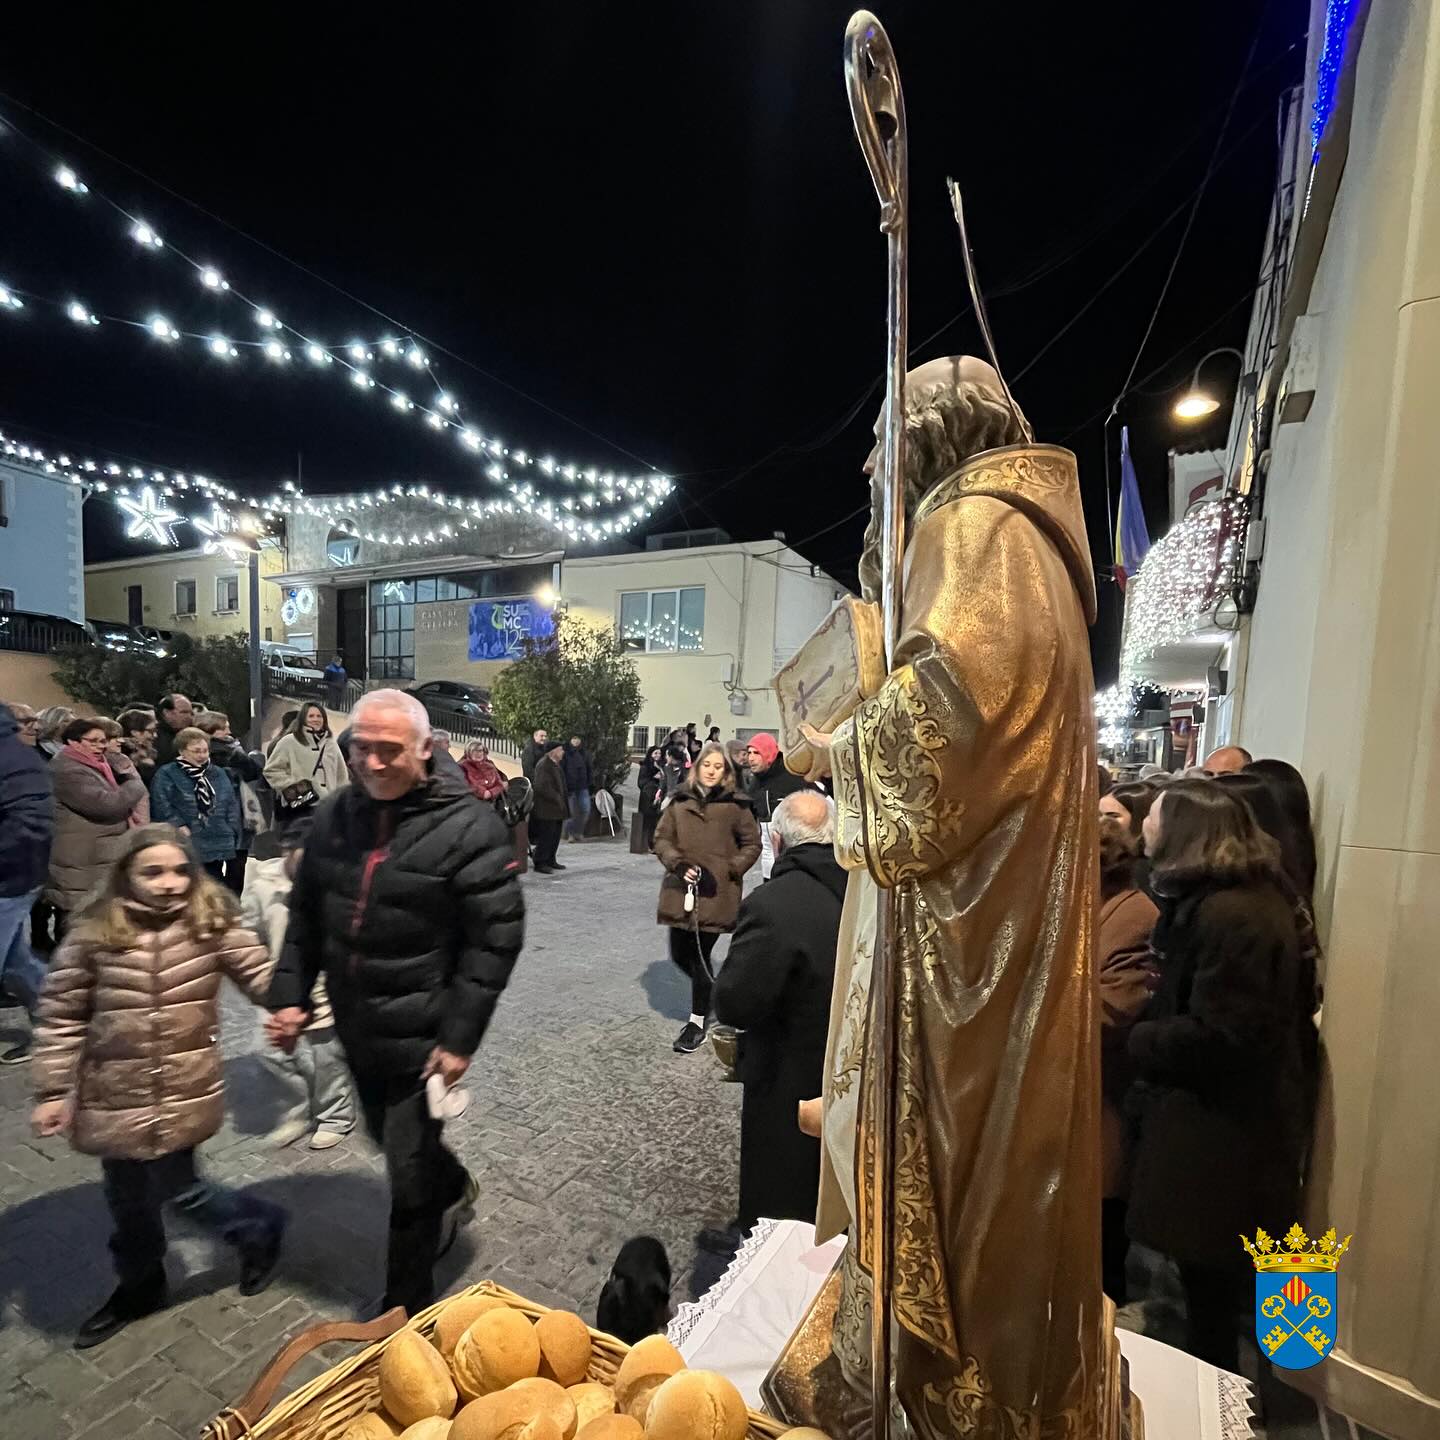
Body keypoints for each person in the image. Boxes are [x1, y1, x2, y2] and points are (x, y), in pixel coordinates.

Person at [799, 357, 1103, 1430]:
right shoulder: (1032, 540)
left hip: (969, 941)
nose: (871, 462)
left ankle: (943, 1392)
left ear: (931, 436)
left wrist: (831, 743)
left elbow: (942, 744)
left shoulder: (973, 528)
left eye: (883, 439)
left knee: (966, 1181)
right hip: (1002, 903)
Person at [265, 688, 524, 1317]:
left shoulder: (470, 828)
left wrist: (459, 1037)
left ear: (425, 749)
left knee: (406, 1175)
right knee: (389, 1140)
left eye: (389, 750)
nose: (373, 764)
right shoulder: (334, 816)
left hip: (424, 1030)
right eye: (361, 749)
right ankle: (453, 1185)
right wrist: (289, 995)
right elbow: (305, 915)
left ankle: (402, 1310)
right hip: (359, 1023)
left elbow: (496, 939)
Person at [30, 825, 285, 1348]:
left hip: (181, 1089)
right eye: (153, 872)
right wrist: (54, 1090)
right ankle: (140, 1285)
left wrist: (295, 1003)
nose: (169, 883)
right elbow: (61, 1015)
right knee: (126, 1200)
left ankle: (257, 1226)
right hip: (112, 1093)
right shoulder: (94, 932)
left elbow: (261, 975)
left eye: (179, 871)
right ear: (125, 873)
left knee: (181, 1189)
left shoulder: (210, 922)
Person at [1126, 780, 1313, 1370]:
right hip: (1218, 1125)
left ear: (1185, 832)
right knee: (1210, 1275)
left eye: (1153, 816)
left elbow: (1226, 1034)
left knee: (1217, 1279)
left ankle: (1228, 1395)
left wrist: (1139, 1038)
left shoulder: (1236, 915)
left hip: (1226, 1132)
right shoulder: (1228, 901)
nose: (1142, 826)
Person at [713, 791, 844, 1230]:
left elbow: (736, 1002)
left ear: (778, 842)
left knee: (780, 1200)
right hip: (852, 1074)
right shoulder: (870, 893)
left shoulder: (773, 905)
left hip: (787, 1076)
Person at [241, 831, 355, 1151]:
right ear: (287, 851)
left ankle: (335, 1116)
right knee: (268, 1051)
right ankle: (297, 1109)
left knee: (328, 1060)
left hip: (326, 992)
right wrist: (262, 975)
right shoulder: (264, 887)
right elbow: (247, 935)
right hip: (279, 988)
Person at [652, 741, 761, 1054]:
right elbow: (661, 839)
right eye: (707, 765)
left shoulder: (736, 805)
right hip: (680, 890)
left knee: (700, 957)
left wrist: (730, 869)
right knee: (678, 954)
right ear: (697, 767)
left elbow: (751, 845)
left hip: (716, 892)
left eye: (718, 766)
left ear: (725, 771)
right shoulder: (679, 801)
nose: (712, 771)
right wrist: (677, 862)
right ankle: (718, 991)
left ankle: (696, 1022)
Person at [1095, 815, 1159, 1305]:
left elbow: (1113, 1010)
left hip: (1106, 1103)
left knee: (1102, 1240)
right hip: (1082, 1103)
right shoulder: (1100, 908)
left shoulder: (1134, 917)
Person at [44, 717, 148, 929]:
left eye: (103, 741)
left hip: (97, 856)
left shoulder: (97, 764)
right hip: (81, 857)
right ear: (74, 742)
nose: (101, 746)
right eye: (93, 741)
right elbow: (107, 805)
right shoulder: (67, 770)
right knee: (79, 921)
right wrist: (134, 783)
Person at [0, 703, 53, 1065]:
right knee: (16, 961)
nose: (34, 727)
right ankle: (56, 1023)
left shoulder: (13, 756)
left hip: (10, 878)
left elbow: (30, 823)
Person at [151, 726, 243, 881]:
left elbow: (230, 801)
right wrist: (177, 824)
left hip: (219, 834)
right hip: (187, 836)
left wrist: (231, 826)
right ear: (182, 751)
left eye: (205, 751)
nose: (202, 755)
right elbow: (161, 802)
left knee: (216, 879)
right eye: (196, 751)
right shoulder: (167, 773)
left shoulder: (218, 772)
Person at [197, 710, 265, 893]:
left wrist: (239, 755)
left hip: (239, 815)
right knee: (215, 869)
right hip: (216, 816)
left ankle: (231, 907)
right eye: (223, 728)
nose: (228, 732)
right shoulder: (205, 754)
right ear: (209, 731)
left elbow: (254, 772)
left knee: (237, 867)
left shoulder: (235, 749)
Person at [263, 703, 349, 840]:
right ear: (303, 718)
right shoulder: (289, 742)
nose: (316, 719)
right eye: (311, 716)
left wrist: (341, 801)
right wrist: (294, 785)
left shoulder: (331, 744)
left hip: (327, 808)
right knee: (300, 850)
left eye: (319, 716)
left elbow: (341, 775)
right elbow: (271, 770)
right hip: (300, 806)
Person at [743, 733, 813, 880]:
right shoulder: (756, 782)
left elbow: (819, 799)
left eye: (756, 753)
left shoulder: (791, 776)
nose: (751, 758)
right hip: (767, 849)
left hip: (793, 846)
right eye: (749, 753)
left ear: (768, 753)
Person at [98, 718, 150, 826]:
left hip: (139, 822)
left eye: (120, 737)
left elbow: (141, 794)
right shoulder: (97, 765)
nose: (120, 741)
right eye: (114, 737)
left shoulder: (124, 759)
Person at [530, 738, 569, 874]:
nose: (563, 752)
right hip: (547, 808)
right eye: (560, 750)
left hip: (557, 809)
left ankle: (551, 859)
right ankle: (540, 862)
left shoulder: (555, 764)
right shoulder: (544, 765)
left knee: (555, 836)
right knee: (546, 836)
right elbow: (541, 787)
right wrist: (557, 797)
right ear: (554, 752)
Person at [117, 708, 159, 789]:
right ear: (134, 732)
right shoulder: (121, 755)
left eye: (156, 730)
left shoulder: (149, 753)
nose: (155, 735)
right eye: (151, 731)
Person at [152, 694, 196, 772]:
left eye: (191, 713)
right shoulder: (153, 736)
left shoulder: (194, 734)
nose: (189, 717)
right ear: (167, 712)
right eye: (184, 712)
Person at [562, 735, 593, 843]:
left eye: (578, 738)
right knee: (571, 812)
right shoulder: (565, 753)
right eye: (573, 738)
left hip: (583, 786)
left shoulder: (585, 753)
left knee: (586, 809)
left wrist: (590, 783)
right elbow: (561, 769)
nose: (576, 741)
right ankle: (570, 834)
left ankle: (578, 832)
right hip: (569, 787)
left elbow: (589, 769)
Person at [637, 746, 665, 852]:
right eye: (655, 753)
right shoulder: (645, 767)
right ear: (650, 754)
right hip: (647, 798)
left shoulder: (662, 767)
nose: (657, 756)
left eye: (659, 753)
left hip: (658, 798)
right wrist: (653, 777)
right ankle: (645, 844)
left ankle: (654, 844)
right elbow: (641, 783)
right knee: (647, 821)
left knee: (656, 822)